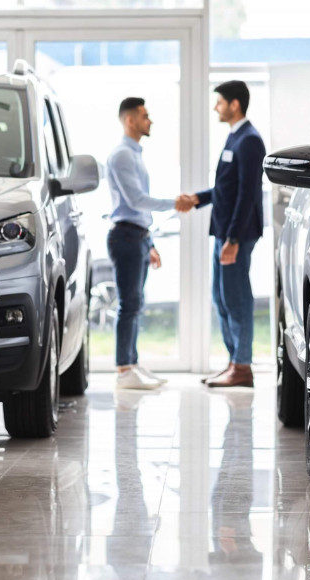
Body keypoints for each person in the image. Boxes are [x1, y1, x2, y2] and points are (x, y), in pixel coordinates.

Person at [107, 97, 197, 390]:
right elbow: (135, 201)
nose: (150, 121)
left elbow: (139, 208)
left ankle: (131, 364)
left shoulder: (134, 154)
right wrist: (174, 203)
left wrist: (151, 242)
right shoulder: (122, 155)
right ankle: (123, 371)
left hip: (138, 236)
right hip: (126, 236)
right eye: (145, 116)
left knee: (136, 303)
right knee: (129, 305)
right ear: (129, 120)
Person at [186, 81, 266, 388]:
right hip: (224, 231)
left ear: (234, 104)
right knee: (221, 298)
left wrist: (232, 239)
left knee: (236, 299)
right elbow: (226, 188)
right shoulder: (235, 136)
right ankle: (234, 362)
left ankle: (242, 366)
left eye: (219, 102)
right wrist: (197, 198)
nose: (215, 107)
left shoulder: (249, 140)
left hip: (237, 234)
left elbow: (247, 193)